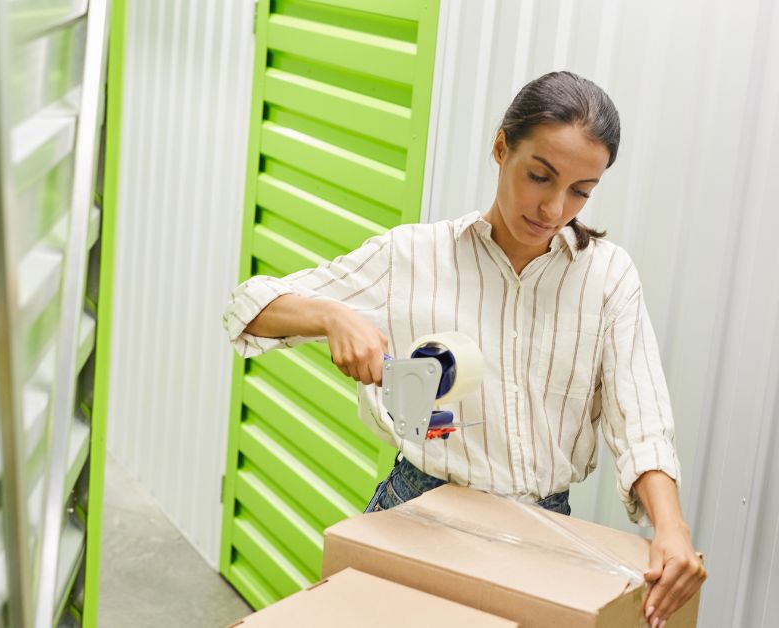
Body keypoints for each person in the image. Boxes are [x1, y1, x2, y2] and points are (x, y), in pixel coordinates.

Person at [222, 71, 706, 627]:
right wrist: (333, 315)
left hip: (544, 536)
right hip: (419, 512)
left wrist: (672, 530)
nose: (553, 208)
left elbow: (639, 420)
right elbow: (248, 306)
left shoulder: (607, 278)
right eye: (539, 176)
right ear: (501, 147)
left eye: (580, 191)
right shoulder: (413, 257)